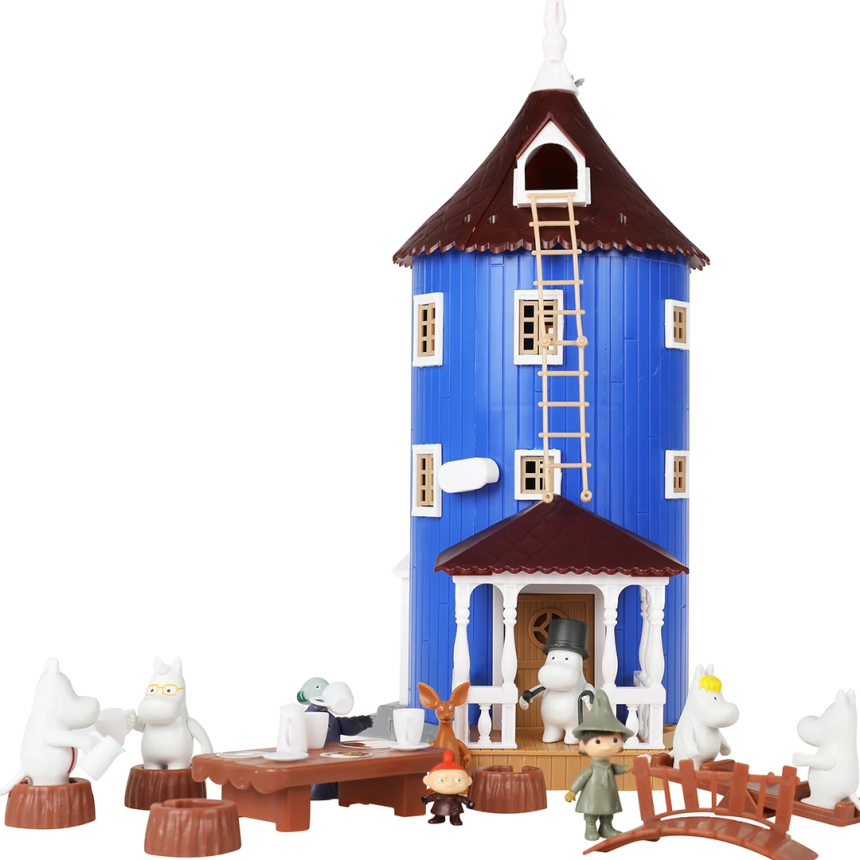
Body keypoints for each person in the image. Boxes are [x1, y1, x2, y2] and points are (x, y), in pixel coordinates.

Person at [564, 689, 634, 841]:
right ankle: (590, 827)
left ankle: (606, 826)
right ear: (582, 744)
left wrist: (626, 768)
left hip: (608, 794)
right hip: (592, 795)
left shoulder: (609, 767)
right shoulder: (591, 769)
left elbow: (615, 769)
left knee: (608, 810)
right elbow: (582, 778)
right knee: (591, 812)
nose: (607, 746)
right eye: (597, 741)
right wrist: (573, 791)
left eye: (614, 740)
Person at [421, 749, 474, 825]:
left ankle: (455, 818)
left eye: (458, 780)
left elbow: (462, 799)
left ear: (468, 781)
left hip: (455, 808)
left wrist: (469, 803)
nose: (450, 784)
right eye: (441, 780)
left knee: (455, 814)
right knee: (438, 811)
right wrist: (427, 799)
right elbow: (433, 797)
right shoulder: (439, 796)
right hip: (440, 807)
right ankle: (438, 817)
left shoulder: (456, 797)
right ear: (427, 780)